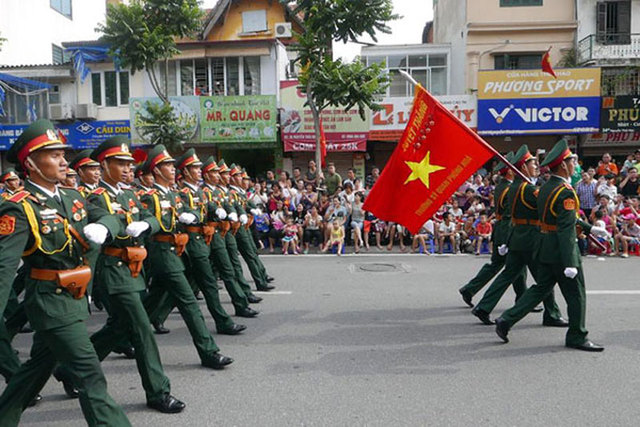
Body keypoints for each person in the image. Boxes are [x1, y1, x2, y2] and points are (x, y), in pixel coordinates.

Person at [0, 119, 131, 426]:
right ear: (30, 163)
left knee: (32, 373)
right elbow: (4, 269)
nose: (63, 160)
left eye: (63, 153)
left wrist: (103, 226)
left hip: (74, 300)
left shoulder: (71, 196)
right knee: (90, 374)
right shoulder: (19, 208)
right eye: (54, 155)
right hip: (50, 303)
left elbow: (109, 217)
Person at [55, 136, 186, 413]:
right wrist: (113, 226)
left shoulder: (128, 194)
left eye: (130, 164)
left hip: (133, 270)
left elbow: (154, 216)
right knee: (141, 330)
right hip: (112, 271)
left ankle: (69, 370)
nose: (128, 169)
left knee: (119, 328)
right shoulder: (95, 196)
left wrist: (145, 224)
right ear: (104, 165)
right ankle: (158, 391)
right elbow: (103, 220)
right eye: (121, 163)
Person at [495, 139, 609, 351]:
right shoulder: (565, 191)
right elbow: (565, 228)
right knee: (576, 294)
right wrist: (570, 262)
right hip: (561, 249)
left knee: (540, 288)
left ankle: (507, 319)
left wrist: (589, 228)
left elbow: (561, 219)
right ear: (564, 165)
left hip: (545, 245)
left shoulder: (546, 187)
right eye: (572, 161)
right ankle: (577, 335)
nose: (575, 165)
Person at [140, 145, 234, 369]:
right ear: (155, 169)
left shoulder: (172, 194)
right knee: (189, 302)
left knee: (146, 308)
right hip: (163, 254)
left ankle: (117, 340)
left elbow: (192, 211)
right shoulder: (149, 196)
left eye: (173, 165)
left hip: (177, 253)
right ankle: (209, 351)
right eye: (167, 165)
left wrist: (189, 215)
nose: (172, 169)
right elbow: (146, 218)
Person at [470, 145, 565, 326]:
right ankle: (551, 314)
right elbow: (545, 206)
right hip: (531, 238)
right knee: (544, 279)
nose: (536, 167)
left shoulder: (514, 186)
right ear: (523, 168)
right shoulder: (528, 189)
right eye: (532, 164)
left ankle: (483, 306)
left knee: (507, 275)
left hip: (517, 236)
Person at [459, 153, 523, 307]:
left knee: (499, 264)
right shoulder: (509, 188)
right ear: (509, 171)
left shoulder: (501, 186)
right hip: (507, 228)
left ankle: (470, 289)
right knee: (515, 265)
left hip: (500, 228)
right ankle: (521, 299)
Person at [200, 157, 259, 318]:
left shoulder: (219, 191)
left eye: (221, 173)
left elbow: (230, 204)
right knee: (191, 276)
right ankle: (156, 314)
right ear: (206, 175)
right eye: (215, 172)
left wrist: (237, 212)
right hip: (207, 235)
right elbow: (207, 207)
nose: (219, 175)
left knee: (229, 268)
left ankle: (241, 302)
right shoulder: (204, 192)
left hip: (222, 233)